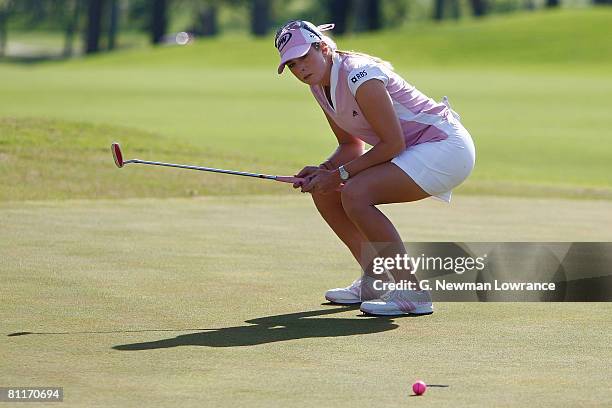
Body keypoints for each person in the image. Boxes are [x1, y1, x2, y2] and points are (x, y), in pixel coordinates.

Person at [274, 20, 476, 316]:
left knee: (355, 193)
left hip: (445, 146)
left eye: (304, 56)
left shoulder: (359, 75)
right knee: (326, 193)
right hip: (416, 149)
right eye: (292, 64)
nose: (300, 69)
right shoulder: (319, 85)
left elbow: (392, 144)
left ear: (322, 47)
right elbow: (350, 145)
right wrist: (324, 171)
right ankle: (376, 278)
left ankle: (413, 291)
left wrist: (339, 175)